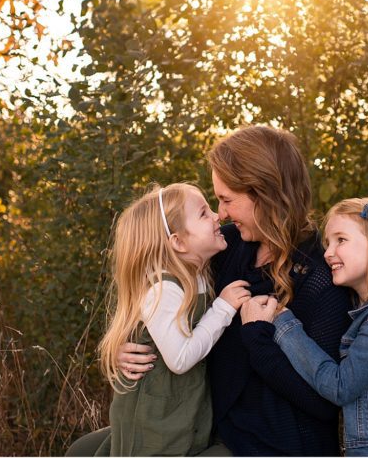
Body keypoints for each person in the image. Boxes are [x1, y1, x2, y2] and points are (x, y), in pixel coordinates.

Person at [69, 126, 354, 456]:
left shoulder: (320, 278)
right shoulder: (229, 246)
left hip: (265, 442)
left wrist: (258, 338)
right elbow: (162, 285)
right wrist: (132, 344)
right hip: (203, 421)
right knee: (82, 451)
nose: (221, 214)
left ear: (265, 194)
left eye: (227, 200)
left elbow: (323, 403)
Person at [258, 197, 368, 456]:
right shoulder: (366, 311)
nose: (328, 253)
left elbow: (340, 387)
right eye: (327, 243)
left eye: (341, 240)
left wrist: (284, 324)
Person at [95, 183, 251, 456]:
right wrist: (223, 308)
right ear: (178, 242)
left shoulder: (198, 273)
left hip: (178, 416)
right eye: (204, 213)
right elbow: (180, 359)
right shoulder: (164, 288)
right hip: (153, 424)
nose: (217, 216)